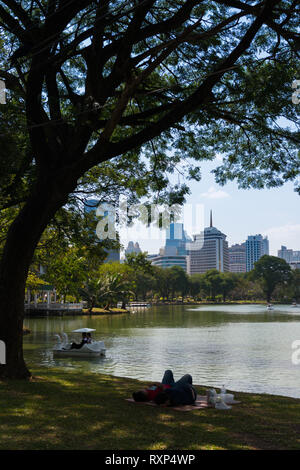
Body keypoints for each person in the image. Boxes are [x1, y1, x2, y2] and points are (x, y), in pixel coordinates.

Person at [132, 370, 197, 406]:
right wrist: (155, 384)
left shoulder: (147, 390)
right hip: (173, 388)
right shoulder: (154, 396)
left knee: (168, 372)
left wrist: (154, 385)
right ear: (143, 393)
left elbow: (157, 385)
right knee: (188, 376)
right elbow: (160, 386)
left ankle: (186, 391)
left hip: (167, 384)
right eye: (140, 390)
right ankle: (186, 391)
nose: (141, 389)